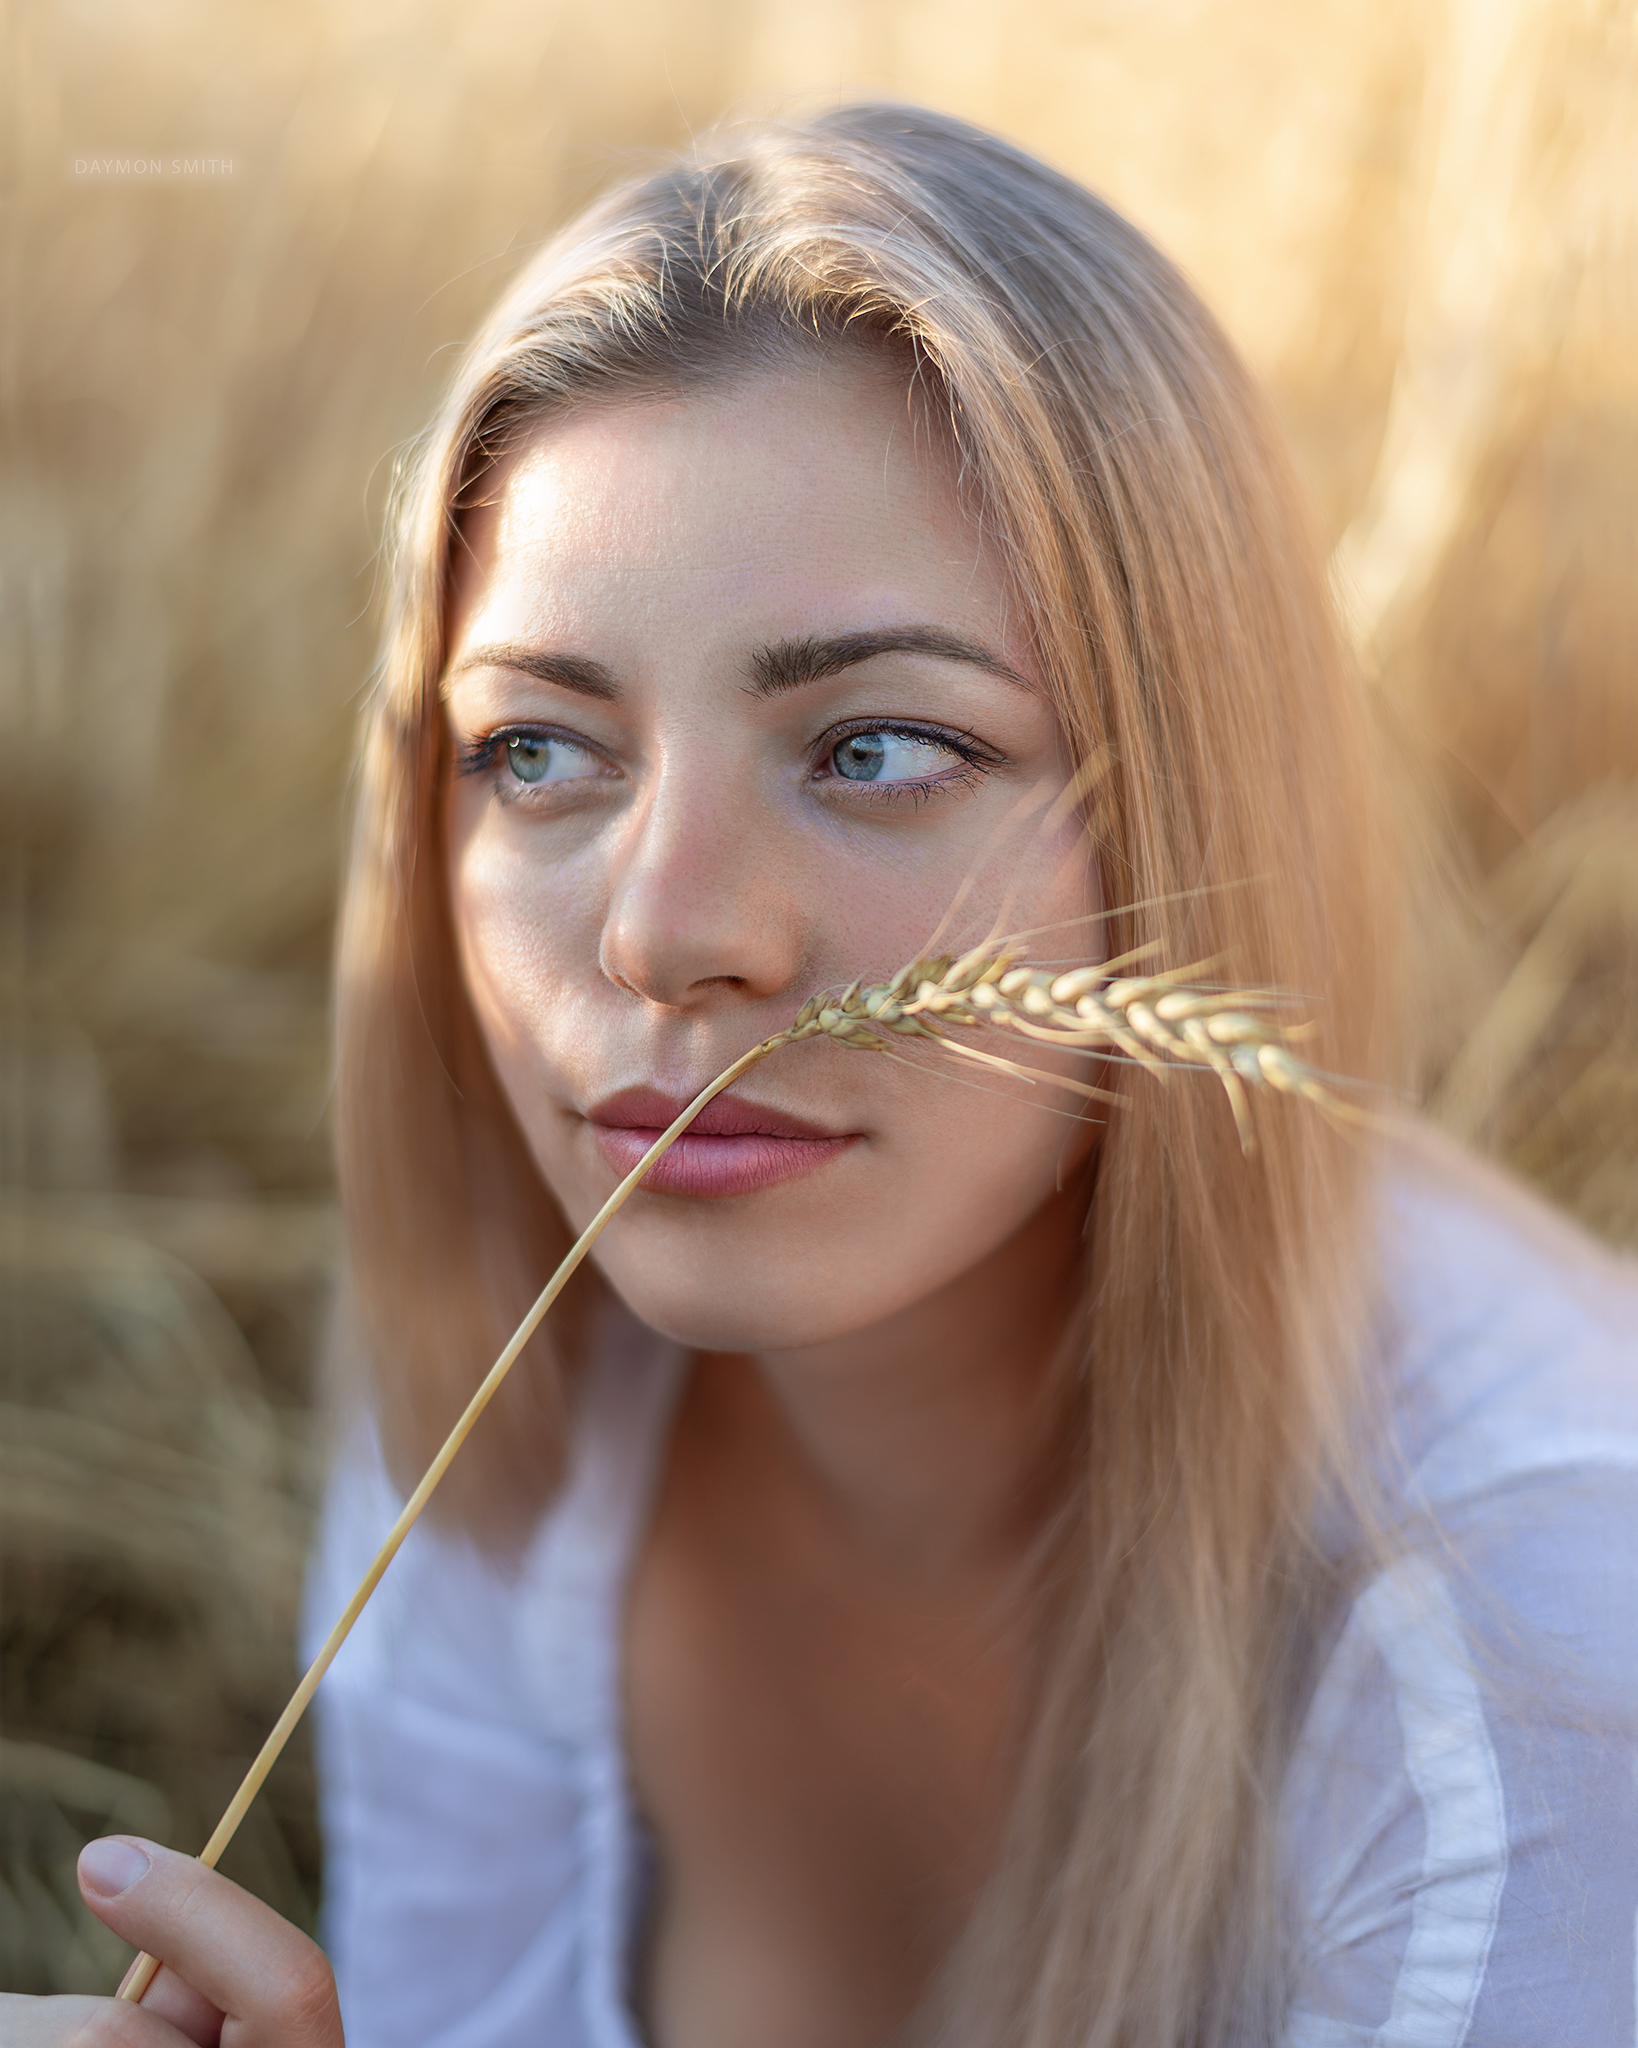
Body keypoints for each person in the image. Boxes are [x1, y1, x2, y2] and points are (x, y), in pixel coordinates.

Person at [12, 103, 1637, 2048]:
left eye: (877, 746)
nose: (662, 929)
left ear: (1191, 822)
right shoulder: (509, 1395)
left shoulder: (1538, 1634)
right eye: (539, 750)